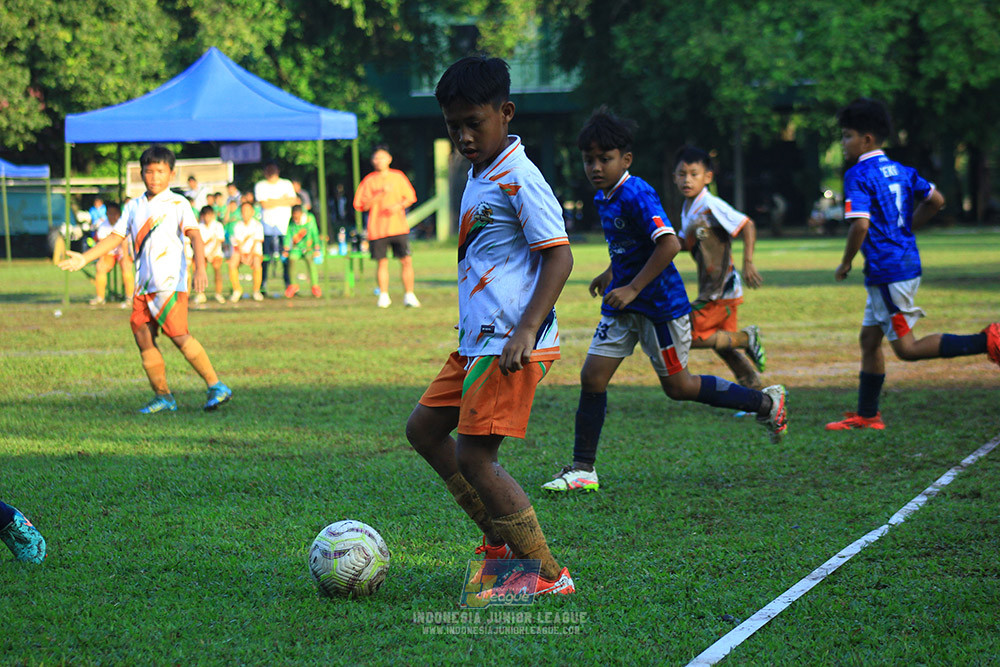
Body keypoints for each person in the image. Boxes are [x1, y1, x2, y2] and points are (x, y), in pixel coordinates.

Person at [541, 107, 787, 494]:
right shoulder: (605, 196)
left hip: (661, 308)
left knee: (679, 387)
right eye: (588, 159)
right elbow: (632, 245)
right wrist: (612, 272)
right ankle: (583, 469)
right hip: (624, 306)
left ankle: (766, 404)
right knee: (592, 376)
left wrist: (633, 287)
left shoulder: (637, 191)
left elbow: (669, 244)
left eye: (604, 159)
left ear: (626, 159)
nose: (595, 167)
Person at [405, 56, 576, 599]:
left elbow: (559, 257)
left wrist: (526, 331)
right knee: (425, 430)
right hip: (476, 344)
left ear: (505, 113)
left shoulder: (521, 176)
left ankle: (546, 576)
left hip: (510, 345)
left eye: (473, 123)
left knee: (478, 458)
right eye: (453, 125)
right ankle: (498, 545)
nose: (462, 135)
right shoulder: (481, 174)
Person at [826, 98, 1000, 430]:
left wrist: (846, 261)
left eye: (847, 136)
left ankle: (990, 340)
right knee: (869, 340)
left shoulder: (858, 174)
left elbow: (859, 225)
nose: (843, 143)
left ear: (867, 140)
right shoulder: (903, 170)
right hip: (900, 265)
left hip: (888, 270)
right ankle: (867, 414)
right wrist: (905, 228)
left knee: (907, 349)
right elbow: (936, 200)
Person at [59, 145, 232, 414]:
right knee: (142, 336)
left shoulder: (178, 203)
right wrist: (85, 258)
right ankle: (163, 396)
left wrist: (199, 269)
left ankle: (216, 385)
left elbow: (195, 236)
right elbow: (116, 238)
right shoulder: (133, 206)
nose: (154, 177)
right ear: (141, 174)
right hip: (143, 286)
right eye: (149, 171)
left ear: (171, 174)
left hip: (169, 283)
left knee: (178, 335)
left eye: (160, 172)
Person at [674, 146, 767, 392]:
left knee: (685, 335)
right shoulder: (689, 207)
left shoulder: (711, 204)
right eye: (682, 174)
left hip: (719, 291)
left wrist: (748, 262)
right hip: (715, 287)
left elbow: (747, 225)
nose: (687, 180)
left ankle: (747, 338)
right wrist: (657, 242)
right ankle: (756, 394)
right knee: (724, 346)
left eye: (694, 174)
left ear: (707, 177)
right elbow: (684, 243)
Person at [353, 145, 420, 308]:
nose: (379, 161)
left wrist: (398, 206)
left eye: (382, 157)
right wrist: (380, 194)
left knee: (406, 260)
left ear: (389, 159)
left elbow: (410, 197)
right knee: (381, 262)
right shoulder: (369, 181)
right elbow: (361, 204)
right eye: (376, 158)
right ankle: (383, 295)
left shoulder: (398, 177)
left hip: (398, 227)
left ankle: (409, 295)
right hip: (378, 228)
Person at [254, 163, 298, 295]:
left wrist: (273, 201)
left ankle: (289, 285)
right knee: (266, 260)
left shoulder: (286, 184)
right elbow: (264, 204)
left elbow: (293, 201)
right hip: (266, 229)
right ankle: (262, 287)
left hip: (284, 229)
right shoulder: (261, 185)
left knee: (286, 259)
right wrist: (282, 200)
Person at [89, 202, 135, 307]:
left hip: (123, 251)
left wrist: (125, 257)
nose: (111, 216)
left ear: (119, 214)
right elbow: (101, 244)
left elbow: (125, 243)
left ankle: (129, 297)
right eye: (109, 213)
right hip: (109, 252)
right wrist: (101, 259)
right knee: (100, 267)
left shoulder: (123, 223)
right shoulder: (103, 226)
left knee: (126, 266)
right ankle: (100, 297)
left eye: (114, 213)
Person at [282, 205, 323, 298]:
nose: (296, 220)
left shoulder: (309, 219)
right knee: (291, 259)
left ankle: (315, 285)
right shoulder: (292, 221)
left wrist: (317, 246)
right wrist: (286, 247)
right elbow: (288, 234)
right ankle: (293, 285)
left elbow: (315, 233)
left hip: (309, 248)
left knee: (310, 260)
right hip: (297, 248)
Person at [228, 201, 265, 302]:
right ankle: (237, 290)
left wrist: (250, 255)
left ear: (252, 212)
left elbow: (256, 243)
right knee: (232, 264)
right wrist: (242, 256)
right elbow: (238, 243)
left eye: (248, 210)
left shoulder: (257, 225)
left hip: (254, 253)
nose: (245, 213)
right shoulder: (238, 225)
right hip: (241, 252)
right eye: (243, 211)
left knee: (257, 264)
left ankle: (256, 291)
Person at [193, 205, 227, 304]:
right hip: (202, 254)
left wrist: (211, 254)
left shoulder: (218, 225)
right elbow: (199, 243)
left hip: (215, 253)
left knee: (217, 269)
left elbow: (219, 241)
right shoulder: (199, 226)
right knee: (198, 271)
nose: (207, 218)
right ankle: (200, 294)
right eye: (205, 215)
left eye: (209, 215)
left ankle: (218, 293)